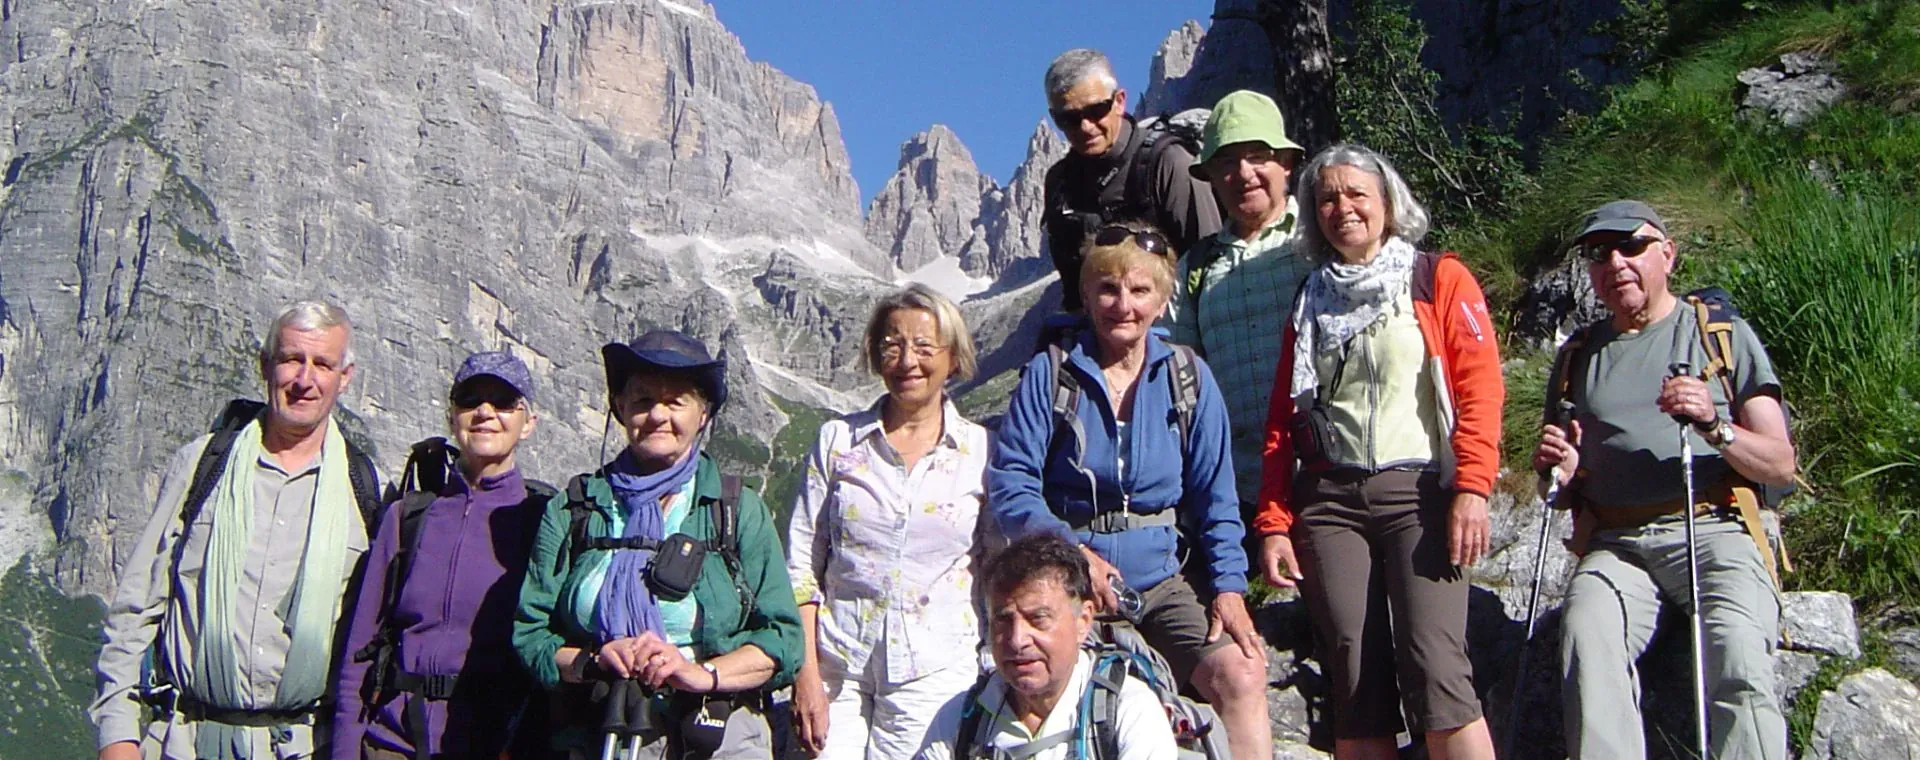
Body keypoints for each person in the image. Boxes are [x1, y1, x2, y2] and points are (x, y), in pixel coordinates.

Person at [1254, 144, 1503, 760]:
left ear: (1388, 204)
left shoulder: (1437, 277)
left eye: (1357, 194)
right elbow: (1283, 421)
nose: (1343, 208)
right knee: (1353, 671)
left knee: (1437, 665)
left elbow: (1480, 387)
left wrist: (1472, 487)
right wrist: (1274, 523)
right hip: (1330, 504)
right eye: (1327, 199)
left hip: (1420, 495)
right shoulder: (1310, 298)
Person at [987, 225, 1270, 759]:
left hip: (1162, 583)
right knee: (1063, 701)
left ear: (1163, 301)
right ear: (1088, 295)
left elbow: (1216, 497)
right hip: (1066, 585)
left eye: (1140, 291)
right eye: (1108, 289)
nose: (1123, 305)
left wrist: (1230, 588)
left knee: (1241, 673)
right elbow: (1012, 482)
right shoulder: (1051, 374)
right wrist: (1071, 553)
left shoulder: (1190, 379)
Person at [1536, 200, 1795, 760]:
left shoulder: (1720, 335)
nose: (1616, 263)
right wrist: (1561, 468)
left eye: (1632, 247)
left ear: (1668, 255)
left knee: (1739, 654)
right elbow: (1555, 489)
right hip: (1617, 543)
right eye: (1599, 254)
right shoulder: (1577, 356)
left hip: (1715, 527)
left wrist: (1714, 426)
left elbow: (1780, 465)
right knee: (1587, 637)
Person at [90, 301, 382, 760]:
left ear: (344, 377)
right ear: (265, 365)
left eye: (322, 364)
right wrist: (118, 735)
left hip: (304, 747)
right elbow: (135, 607)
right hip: (185, 743)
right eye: (291, 360)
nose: (304, 380)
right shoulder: (200, 465)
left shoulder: (364, 490)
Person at [512, 329, 803, 758]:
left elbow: (784, 639)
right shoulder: (574, 508)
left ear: (702, 415)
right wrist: (594, 660)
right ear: (620, 408)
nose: (657, 416)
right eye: (644, 400)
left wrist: (700, 673)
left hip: (715, 730)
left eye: (675, 402)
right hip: (598, 726)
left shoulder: (736, 509)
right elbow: (531, 634)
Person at [788, 285, 992, 759]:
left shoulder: (981, 451)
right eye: (892, 345)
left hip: (937, 670)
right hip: (836, 664)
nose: (907, 361)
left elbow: (997, 565)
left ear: (953, 359)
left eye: (924, 347)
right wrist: (806, 675)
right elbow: (799, 563)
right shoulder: (837, 441)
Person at [332, 350, 548, 759]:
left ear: (528, 423)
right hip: (392, 742)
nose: (485, 412)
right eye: (470, 400)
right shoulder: (408, 517)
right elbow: (358, 647)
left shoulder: (541, 522)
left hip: (492, 745)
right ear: (452, 416)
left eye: (503, 402)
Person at [1168, 89, 1314, 524]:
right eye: (1227, 163)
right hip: (1236, 490)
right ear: (1210, 177)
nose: (1244, 173)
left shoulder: (1317, 242)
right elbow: (1183, 381)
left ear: (1285, 164)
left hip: (1324, 479)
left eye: (1258, 156)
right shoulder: (1196, 265)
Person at [914, 533, 1177, 759]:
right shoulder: (961, 719)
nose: (1017, 640)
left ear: (1083, 621)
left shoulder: (1129, 711)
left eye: (1038, 619)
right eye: (1003, 620)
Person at [1041, 48, 1221, 312]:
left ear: (1119, 101)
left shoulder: (1169, 162)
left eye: (1096, 110)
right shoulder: (1059, 183)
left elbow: (1210, 266)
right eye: (1069, 118)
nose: (1085, 127)